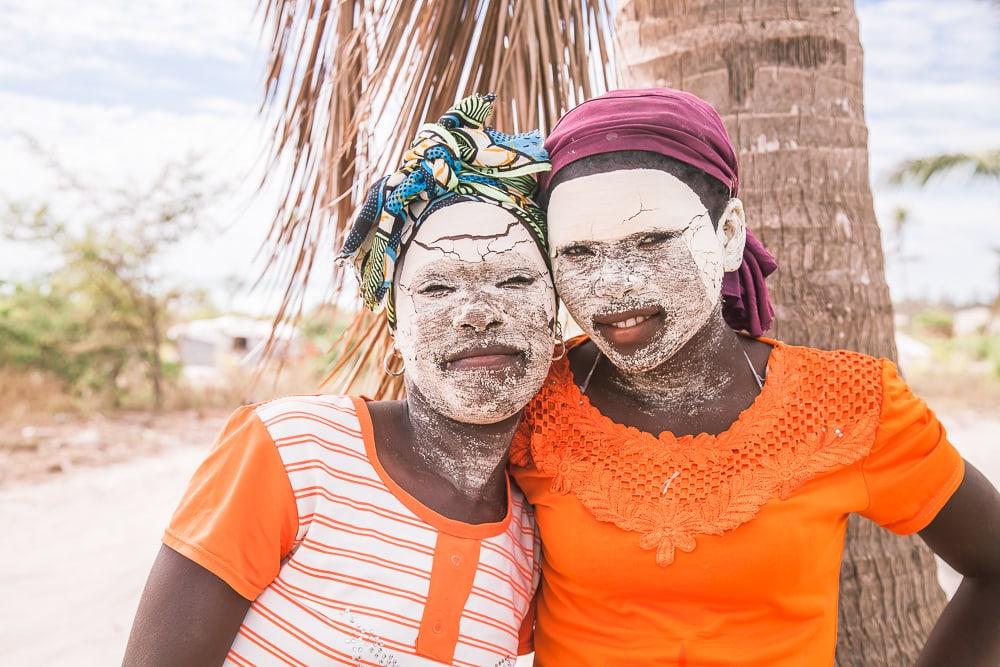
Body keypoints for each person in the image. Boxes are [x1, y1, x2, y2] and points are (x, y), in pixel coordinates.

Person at [510, 88, 1000, 666]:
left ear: (727, 234)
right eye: (580, 253)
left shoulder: (848, 405)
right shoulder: (530, 403)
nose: (615, 284)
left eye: (651, 241)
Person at [123, 94, 558, 666]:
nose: (478, 311)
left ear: (556, 317)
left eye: (516, 280)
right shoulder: (293, 450)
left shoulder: (535, 538)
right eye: (436, 288)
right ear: (395, 326)